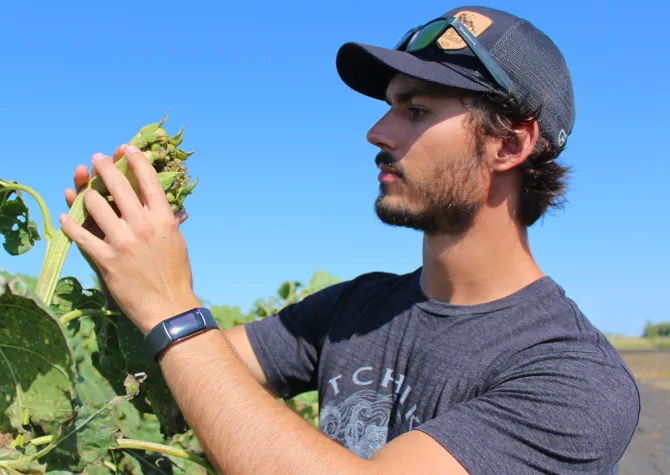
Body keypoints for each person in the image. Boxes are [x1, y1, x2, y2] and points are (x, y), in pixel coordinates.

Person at [62, 5, 641, 474]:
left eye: (415, 110)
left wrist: (172, 305)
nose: (376, 131)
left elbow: (184, 338)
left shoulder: (575, 380)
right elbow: (180, 371)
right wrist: (120, 253)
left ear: (510, 146)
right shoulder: (357, 308)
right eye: (389, 105)